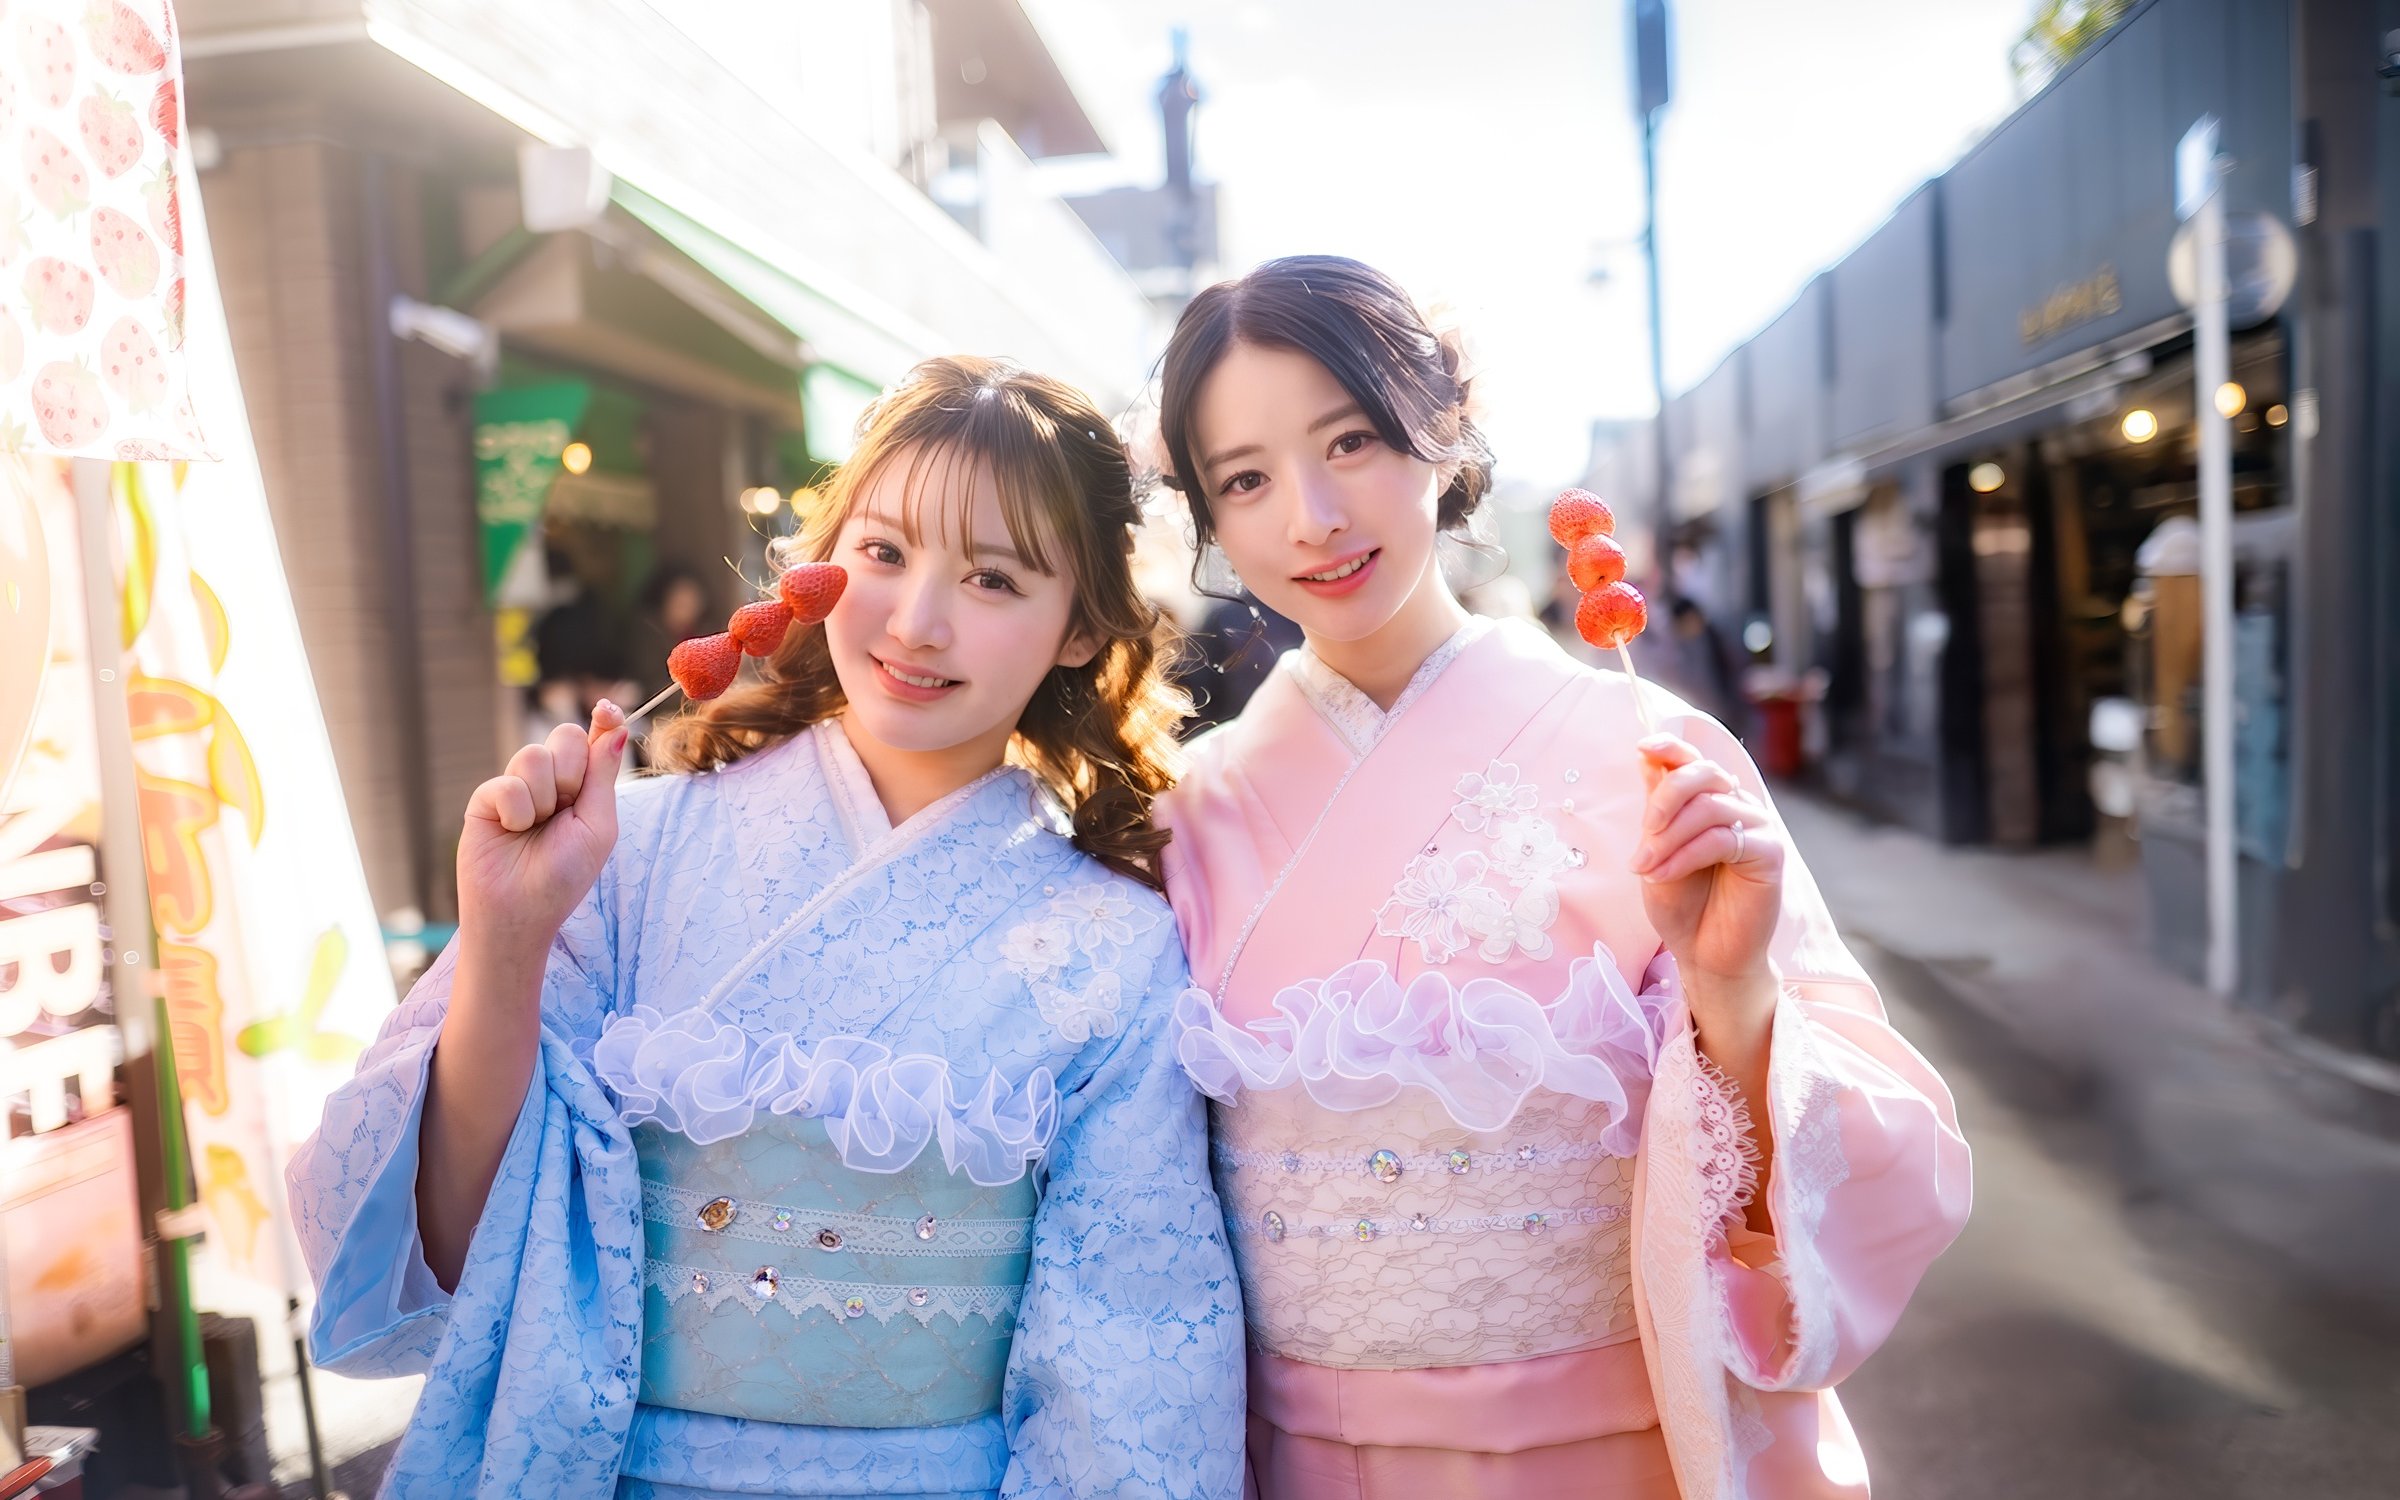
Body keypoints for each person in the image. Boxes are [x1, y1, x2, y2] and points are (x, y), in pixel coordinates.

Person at [287, 357, 1247, 1499]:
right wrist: (505, 937)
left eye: (993, 579)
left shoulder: (1114, 944)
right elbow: (455, 1242)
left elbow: (1127, 1360)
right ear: (819, 572)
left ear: (1083, 629)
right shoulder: (631, 856)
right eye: (883, 554)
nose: (918, 621)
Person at [1150, 257, 1969, 1498]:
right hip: (1300, 1461)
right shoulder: (1185, 809)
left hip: (1609, 1447)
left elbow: (1884, 1143)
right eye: (1246, 481)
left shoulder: (1649, 752)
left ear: (1440, 436)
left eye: (1353, 440)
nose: (1310, 515)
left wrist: (1731, 997)